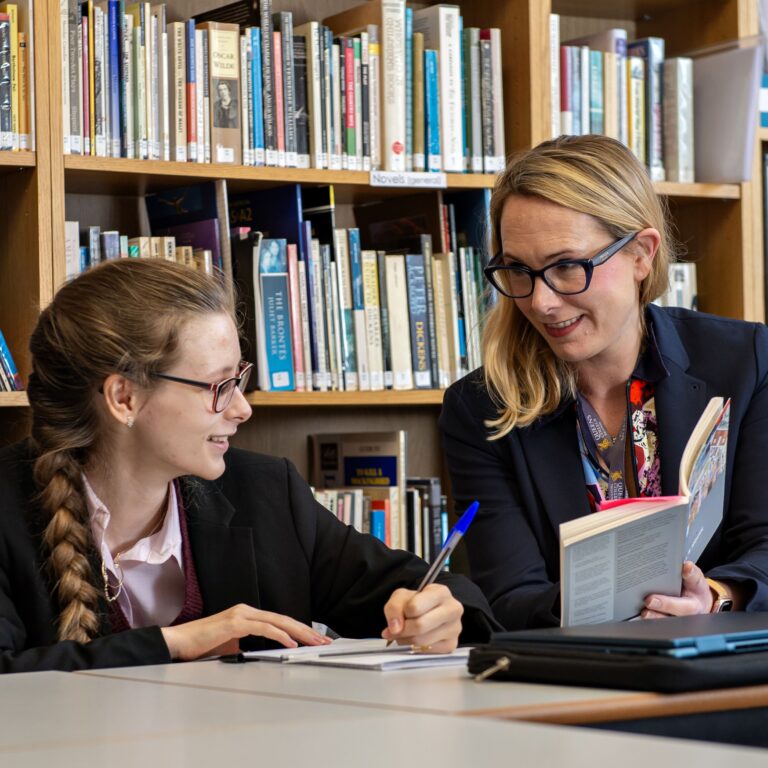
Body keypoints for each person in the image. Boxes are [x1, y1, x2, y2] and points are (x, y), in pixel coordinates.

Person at [0, 259, 497, 673]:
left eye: (240, 379)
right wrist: (178, 643)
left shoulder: (263, 490)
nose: (242, 409)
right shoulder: (7, 508)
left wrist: (442, 609)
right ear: (123, 397)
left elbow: (431, 589)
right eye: (219, 387)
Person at [440, 134, 768, 630]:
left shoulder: (747, 362)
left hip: (718, 669)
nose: (541, 302)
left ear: (641, 254)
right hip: (574, 677)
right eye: (518, 271)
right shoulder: (482, 407)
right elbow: (506, 595)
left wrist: (716, 596)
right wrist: (607, 601)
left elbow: (765, 544)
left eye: (567, 267)